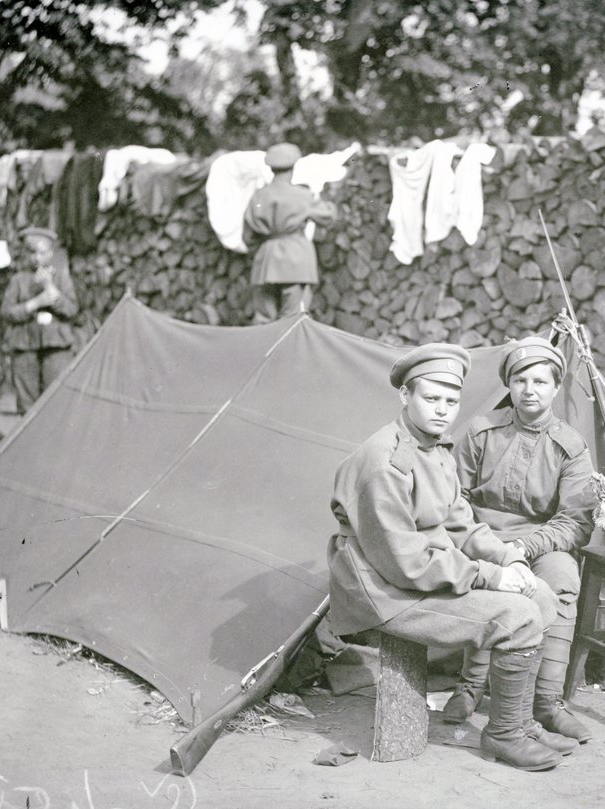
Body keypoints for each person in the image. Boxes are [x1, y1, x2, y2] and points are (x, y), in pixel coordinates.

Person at [326, 343, 576, 771]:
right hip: (385, 592)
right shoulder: (386, 462)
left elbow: (462, 523)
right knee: (517, 617)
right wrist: (488, 577)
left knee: (541, 596)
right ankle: (503, 735)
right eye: (431, 398)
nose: (443, 410)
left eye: (452, 400)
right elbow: (405, 563)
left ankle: (517, 719)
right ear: (405, 396)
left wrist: (509, 561)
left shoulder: (433, 448)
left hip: (418, 575)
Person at [446, 336, 595, 742]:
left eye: (540, 382)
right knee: (493, 581)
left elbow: (576, 521)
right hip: (482, 536)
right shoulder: (481, 432)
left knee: (562, 579)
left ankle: (547, 700)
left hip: (540, 541)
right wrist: (486, 544)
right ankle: (470, 685)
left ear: (556, 387)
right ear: (509, 385)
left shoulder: (570, 447)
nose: (530, 390)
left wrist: (527, 548)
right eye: (521, 381)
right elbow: (452, 497)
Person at [242, 142, 336, 323]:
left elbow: (248, 237)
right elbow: (328, 217)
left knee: (263, 320)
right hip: (297, 262)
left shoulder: (259, 196)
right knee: (293, 321)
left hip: (266, 263)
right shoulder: (302, 196)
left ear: (271, 169)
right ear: (293, 168)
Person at [1, 226, 79, 414]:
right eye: (33, 253)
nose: (37, 258)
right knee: (27, 401)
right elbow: (7, 312)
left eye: (42, 253)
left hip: (56, 345)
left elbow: (72, 309)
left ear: (51, 253)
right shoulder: (18, 280)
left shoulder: (61, 278)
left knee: (56, 398)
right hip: (25, 345)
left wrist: (52, 292)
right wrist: (35, 303)